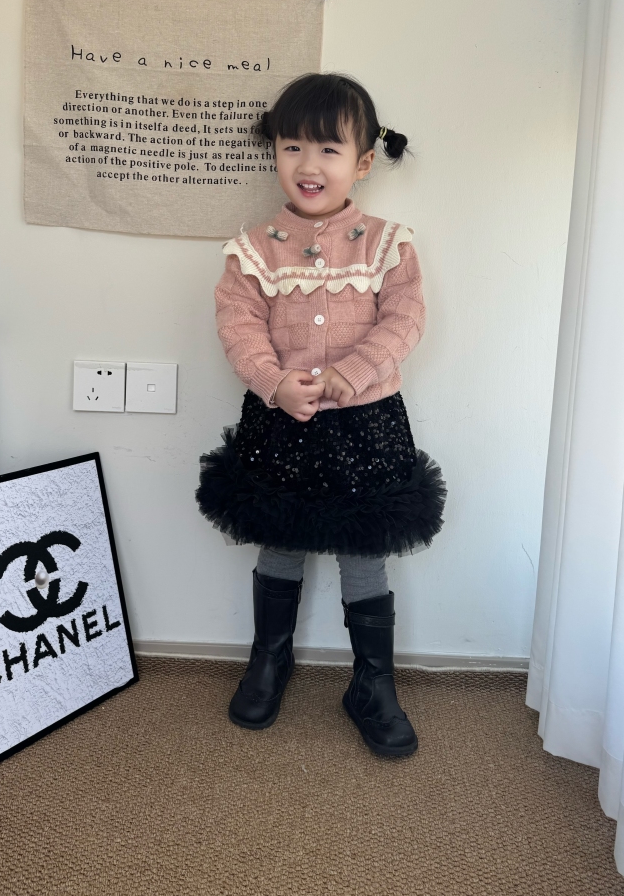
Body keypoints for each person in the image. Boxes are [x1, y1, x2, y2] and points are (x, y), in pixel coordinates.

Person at [197, 73, 445, 757]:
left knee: (363, 546)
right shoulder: (254, 249)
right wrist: (274, 381)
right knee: (281, 536)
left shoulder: (387, 243)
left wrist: (353, 371)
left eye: (329, 150)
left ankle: (372, 682)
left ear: (362, 162)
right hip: (283, 420)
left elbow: (405, 319)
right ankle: (269, 659)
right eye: (293, 147)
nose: (309, 164)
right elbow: (238, 324)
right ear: (275, 152)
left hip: (367, 422)